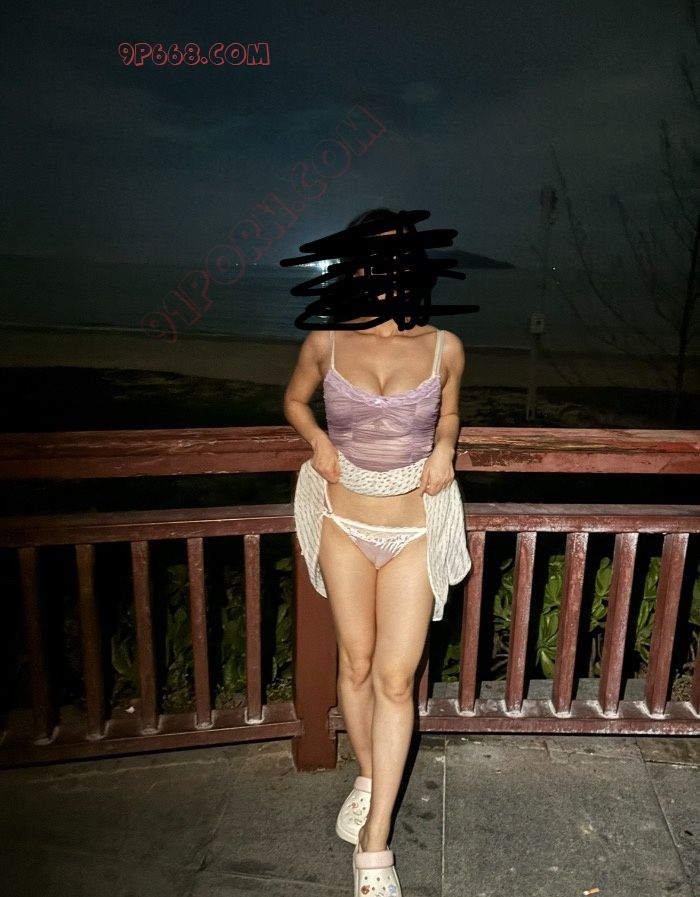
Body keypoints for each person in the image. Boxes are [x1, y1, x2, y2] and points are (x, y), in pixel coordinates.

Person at [283, 207, 471, 897]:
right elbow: (294, 401)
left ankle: (375, 842)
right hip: (343, 520)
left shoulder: (444, 346)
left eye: (398, 256)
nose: (387, 270)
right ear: (355, 264)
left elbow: (450, 410)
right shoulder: (326, 341)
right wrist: (317, 439)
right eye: (374, 257)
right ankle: (368, 775)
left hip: (413, 528)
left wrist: (446, 447)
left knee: (395, 679)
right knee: (356, 663)